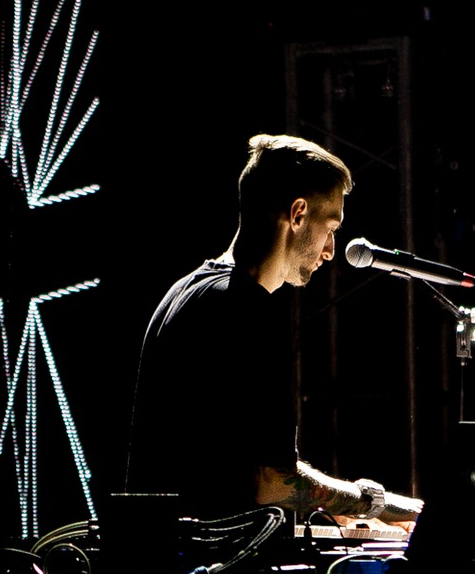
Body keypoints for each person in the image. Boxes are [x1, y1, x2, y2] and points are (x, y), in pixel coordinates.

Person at [122, 133, 422, 542]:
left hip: (163, 558)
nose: (330, 250)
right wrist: (375, 503)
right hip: (211, 567)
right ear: (298, 214)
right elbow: (272, 482)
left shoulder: (187, 291)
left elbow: (225, 464)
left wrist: (339, 510)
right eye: (330, 227)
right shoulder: (246, 309)